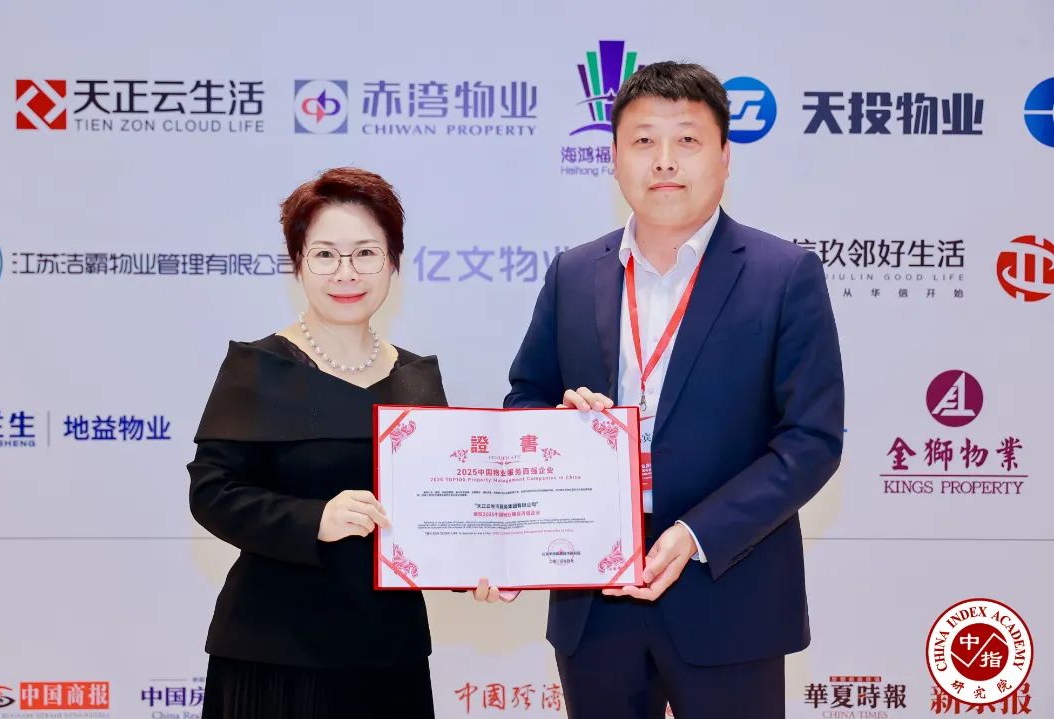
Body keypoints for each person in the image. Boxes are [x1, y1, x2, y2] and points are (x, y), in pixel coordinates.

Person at [503, 62, 845, 718]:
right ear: (613, 159)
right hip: (594, 592)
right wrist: (561, 423)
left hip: (728, 587)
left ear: (724, 156)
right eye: (643, 141)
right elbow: (525, 397)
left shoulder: (784, 275)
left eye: (687, 139)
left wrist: (695, 532)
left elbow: (811, 440)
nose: (664, 160)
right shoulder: (573, 272)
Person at [188, 167, 447, 718]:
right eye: (325, 254)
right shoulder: (258, 367)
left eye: (366, 253)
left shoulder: (417, 379)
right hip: (275, 652)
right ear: (298, 263)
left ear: (393, 261)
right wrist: (314, 519)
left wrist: (485, 564)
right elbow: (212, 492)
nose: (346, 272)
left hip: (390, 652)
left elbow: (442, 509)